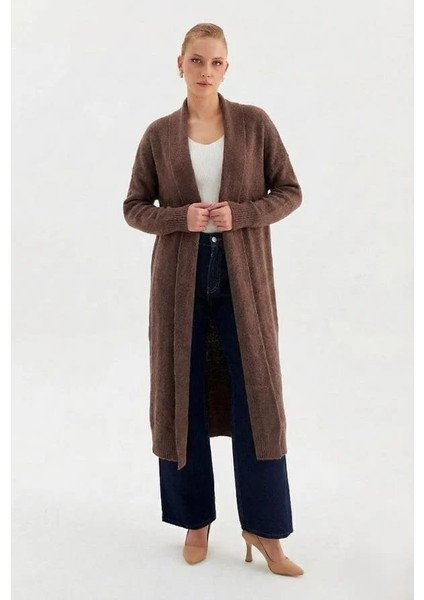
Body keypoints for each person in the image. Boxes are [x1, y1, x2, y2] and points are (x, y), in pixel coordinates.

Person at [123, 23, 304, 576]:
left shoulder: (254, 124)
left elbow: (289, 192)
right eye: (197, 60)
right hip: (179, 284)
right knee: (183, 395)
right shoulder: (159, 135)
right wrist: (180, 218)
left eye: (216, 62)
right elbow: (134, 207)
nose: (206, 71)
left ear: (227, 67)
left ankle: (265, 528)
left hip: (243, 280)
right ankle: (194, 520)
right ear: (179, 63)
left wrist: (240, 214)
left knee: (258, 400)